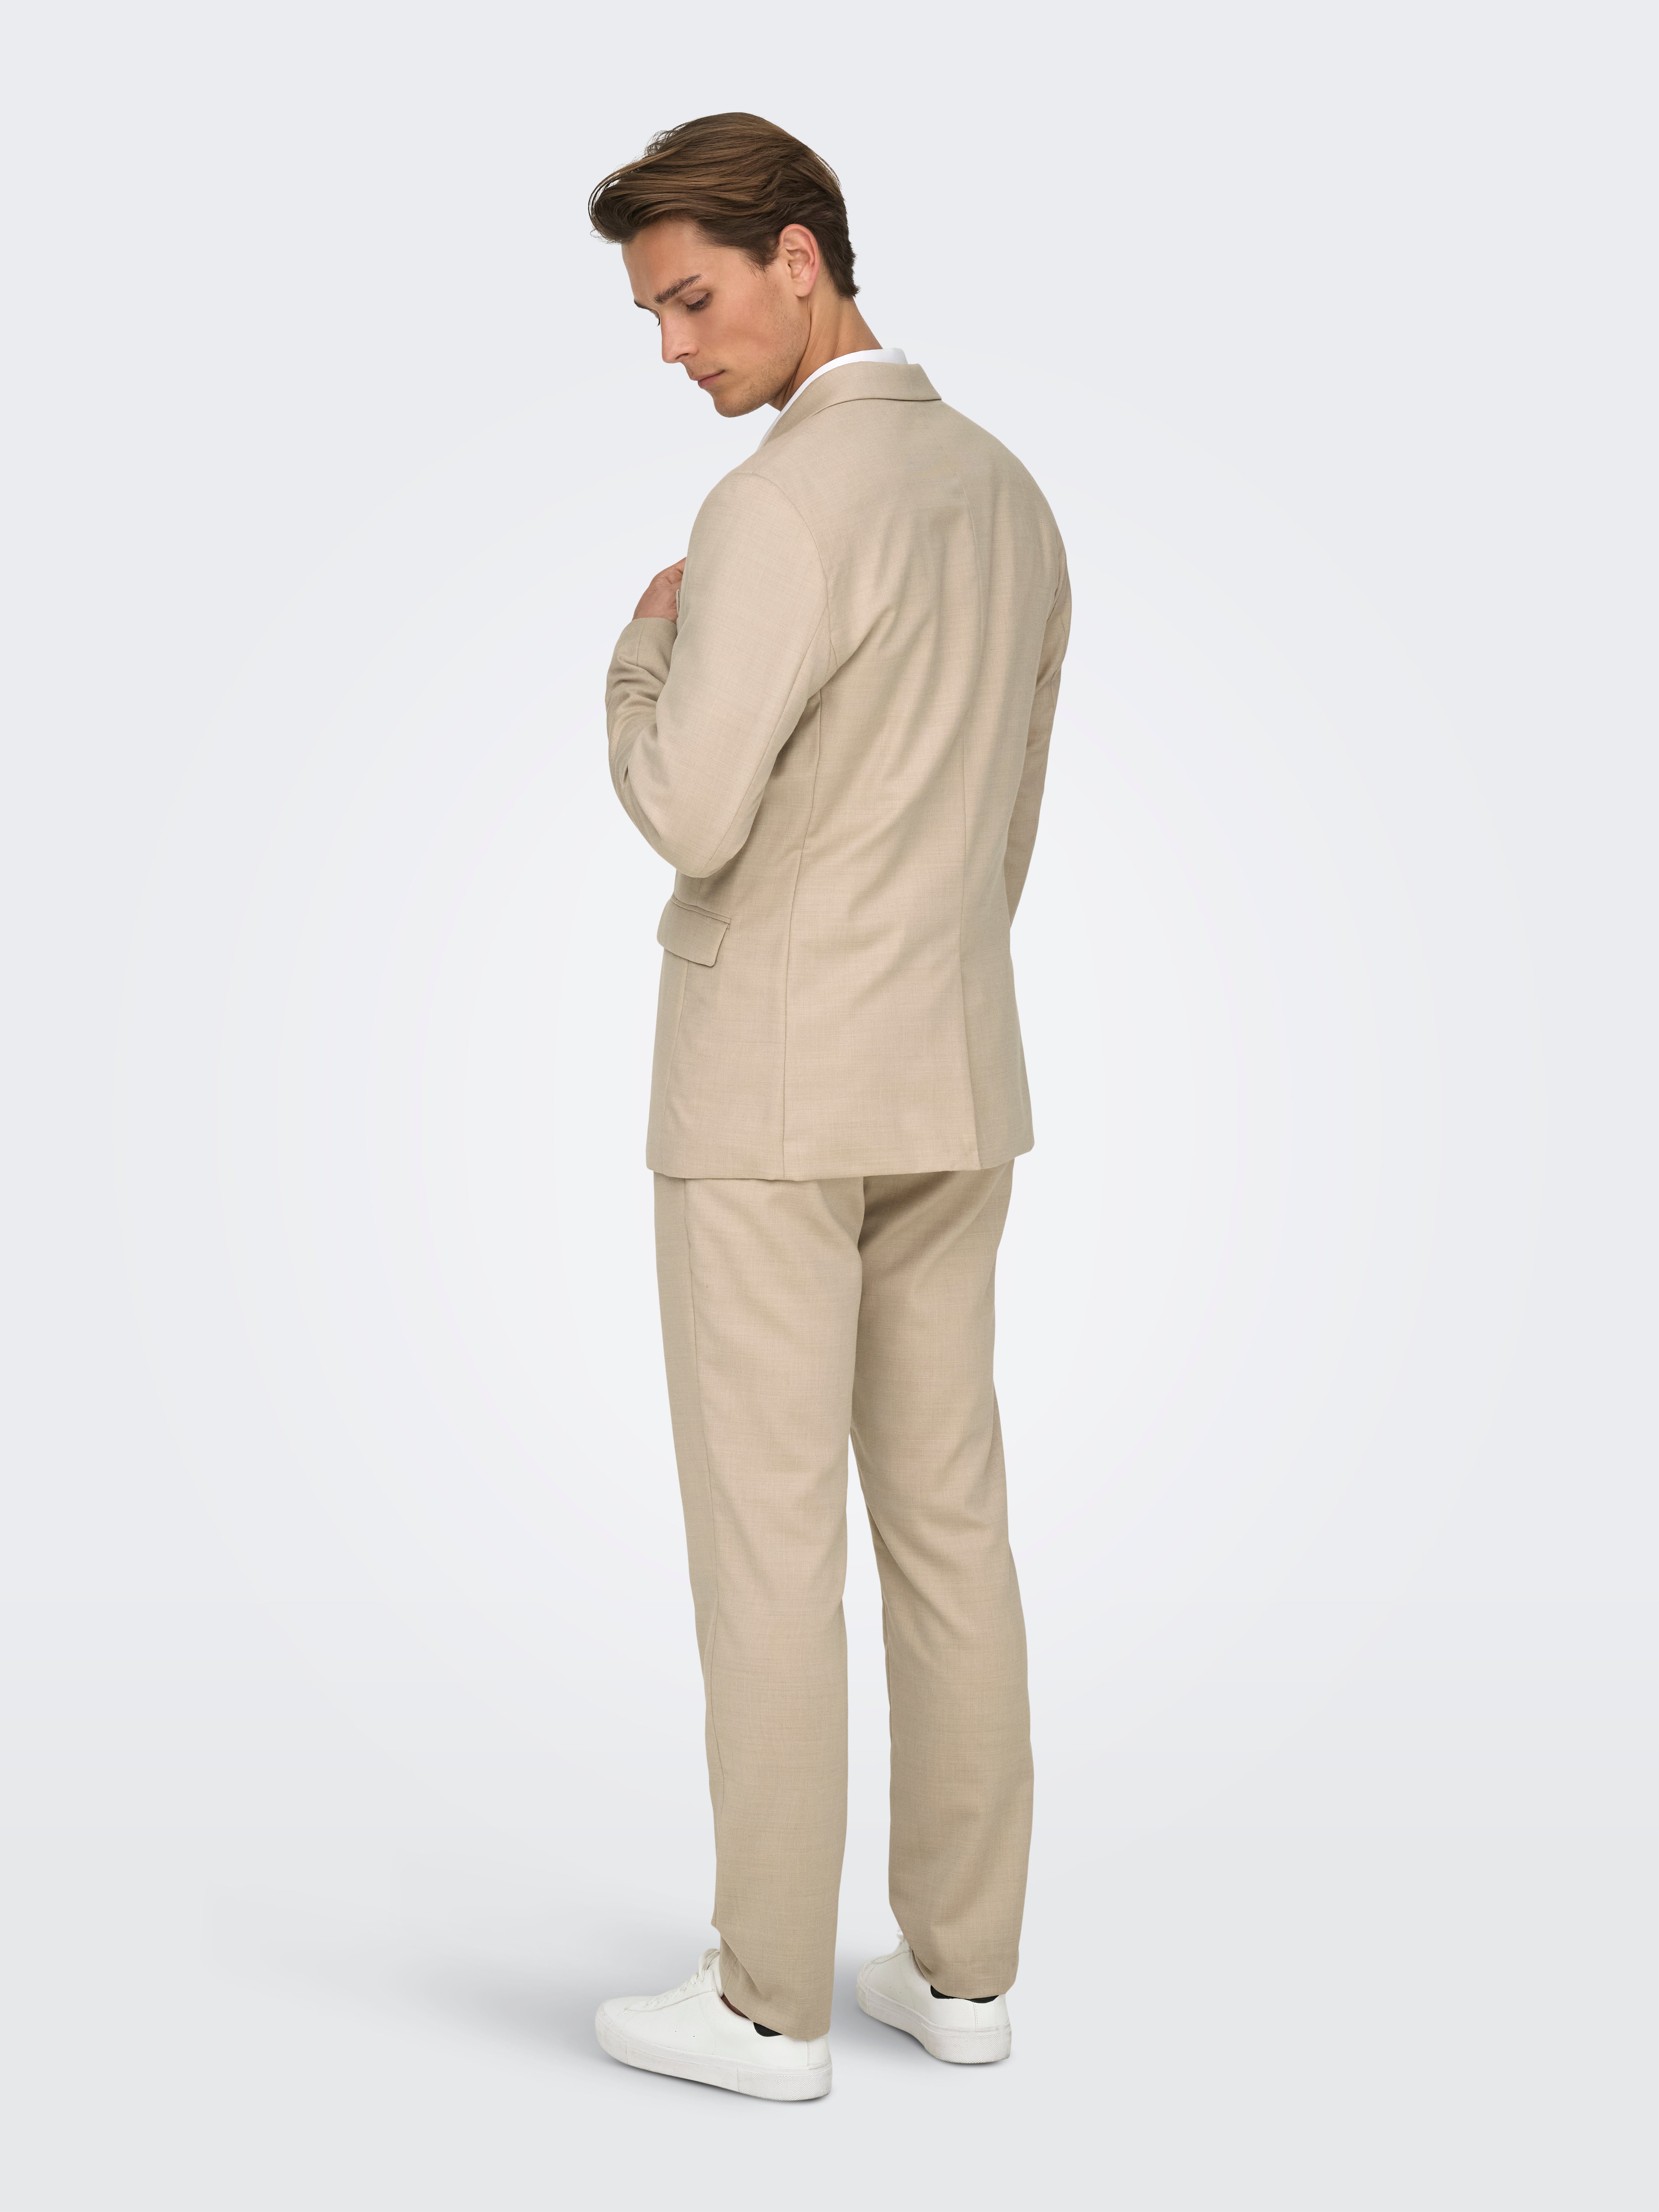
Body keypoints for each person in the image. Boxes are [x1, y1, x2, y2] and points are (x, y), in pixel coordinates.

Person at [586, 113, 1069, 2102]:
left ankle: (768, 2002)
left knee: (769, 1548)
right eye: (652, 313)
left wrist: (641, 650)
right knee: (951, 1526)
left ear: (804, 259)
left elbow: (693, 811)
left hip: (768, 1100)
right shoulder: (1009, 496)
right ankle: (962, 1977)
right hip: (952, 1072)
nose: (673, 347)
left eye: (693, 298)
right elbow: (1007, 822)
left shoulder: (778, 508)